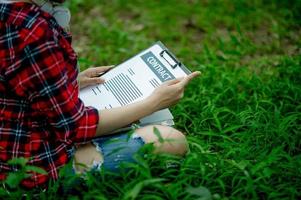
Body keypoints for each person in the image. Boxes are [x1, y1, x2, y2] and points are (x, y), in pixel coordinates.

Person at [0, 0, 200, 189]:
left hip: (12, 139)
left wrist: (67, 82)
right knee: (170, 140)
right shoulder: (32, 31)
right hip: (30, 168)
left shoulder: (9, 13)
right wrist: (154, 102)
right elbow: (75, 126)